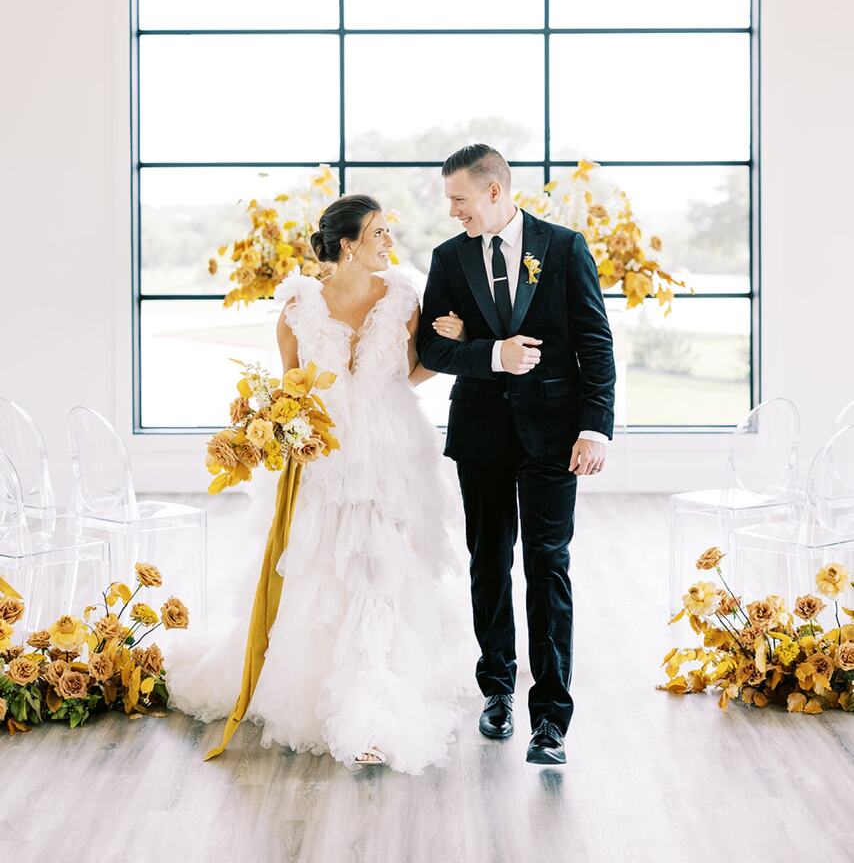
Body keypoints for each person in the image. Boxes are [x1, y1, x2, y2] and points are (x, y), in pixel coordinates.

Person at [165, 194, 476, 774]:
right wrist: (278, 428)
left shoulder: (404, 296)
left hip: (389, 448)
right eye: (378, 232)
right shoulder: (297, 307)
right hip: (325, 454)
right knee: (324, 568)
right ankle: (320, 694)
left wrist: (451, 345)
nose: (389, 241)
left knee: (383, 570)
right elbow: (289, 390)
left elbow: (411, 371)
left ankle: (377, 709)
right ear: (348, 244)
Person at [417, 145, 616, 766]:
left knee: (548, 565)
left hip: (556, 438)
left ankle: (552, 719)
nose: (453, 212)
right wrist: (489, 353)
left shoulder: (563, 248)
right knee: (489, 562)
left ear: (496, 191)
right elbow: (429, 348)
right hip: (480, 436)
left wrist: (596, 428)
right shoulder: (448, 259)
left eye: (460, 200)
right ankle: (497, 689)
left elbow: (595, 343)